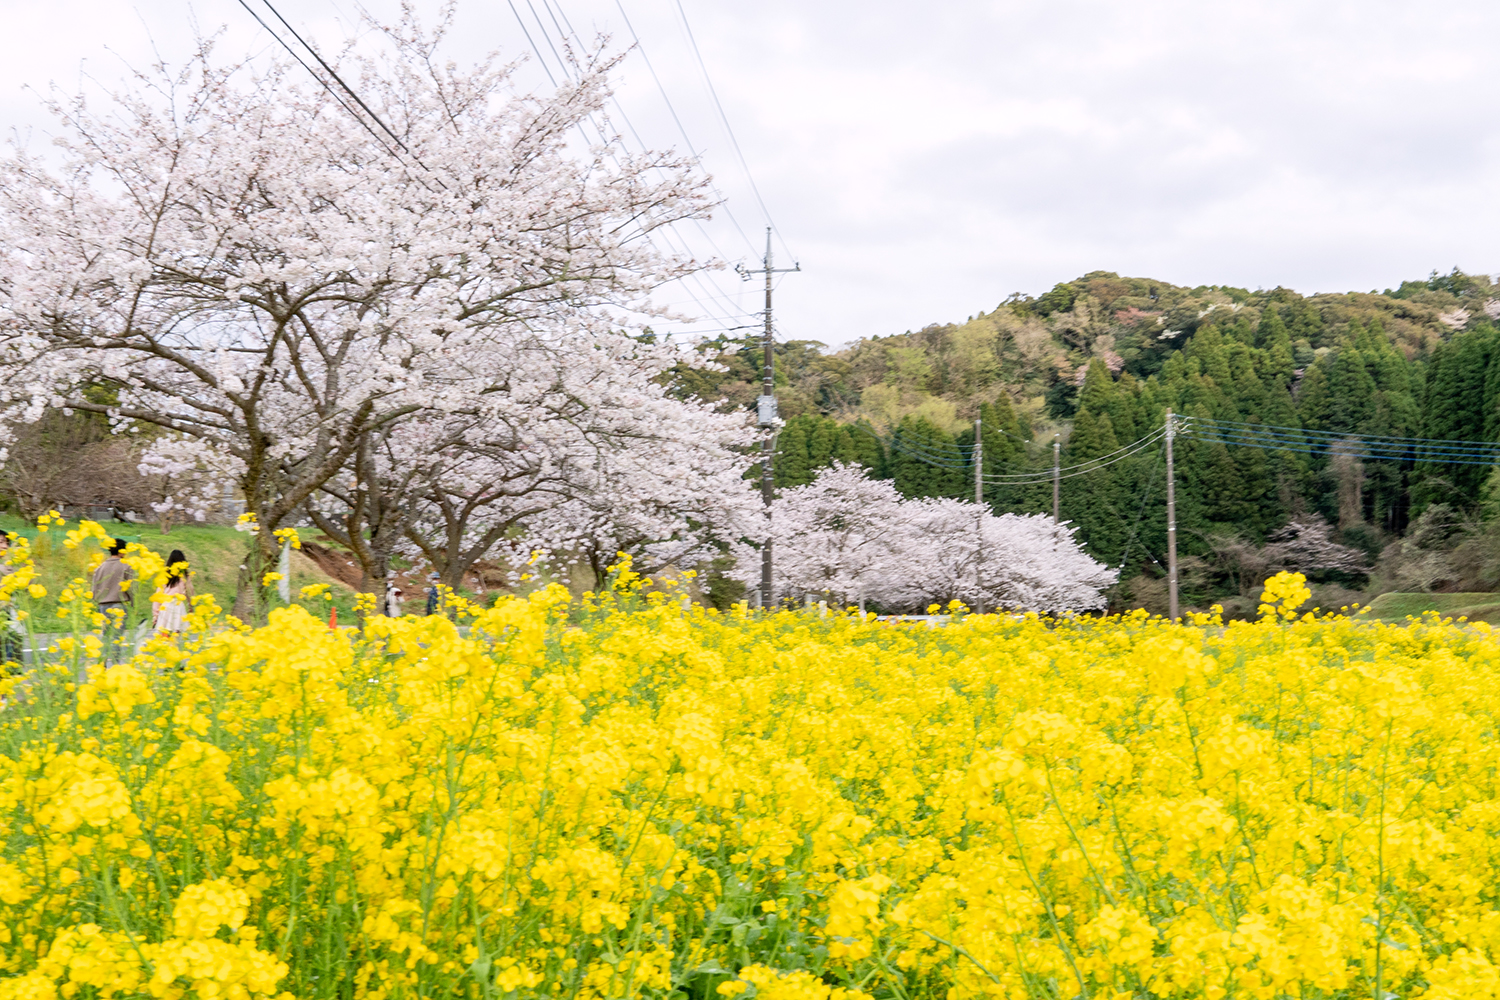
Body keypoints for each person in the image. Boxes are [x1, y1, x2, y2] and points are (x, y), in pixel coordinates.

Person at [92, 538, 134, 660]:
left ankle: (102, 665)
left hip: (103, 605)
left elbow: (94, 589)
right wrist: (133, 604)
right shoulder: (126, 566)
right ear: (121, 551)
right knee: (116, 637)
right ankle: (116, 666)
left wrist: (97, 602)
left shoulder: (100, 567)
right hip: (119, 604)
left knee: (105, 636)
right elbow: (131, 588)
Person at [152, 548, 193, 636]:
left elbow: (158, 595)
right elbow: (189, 592)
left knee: (164, 634)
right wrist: (190, 606)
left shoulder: (165, 575)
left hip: (166, 606)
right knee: (176, 634)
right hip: (178, 606)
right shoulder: (184, 576)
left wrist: (155, 614)